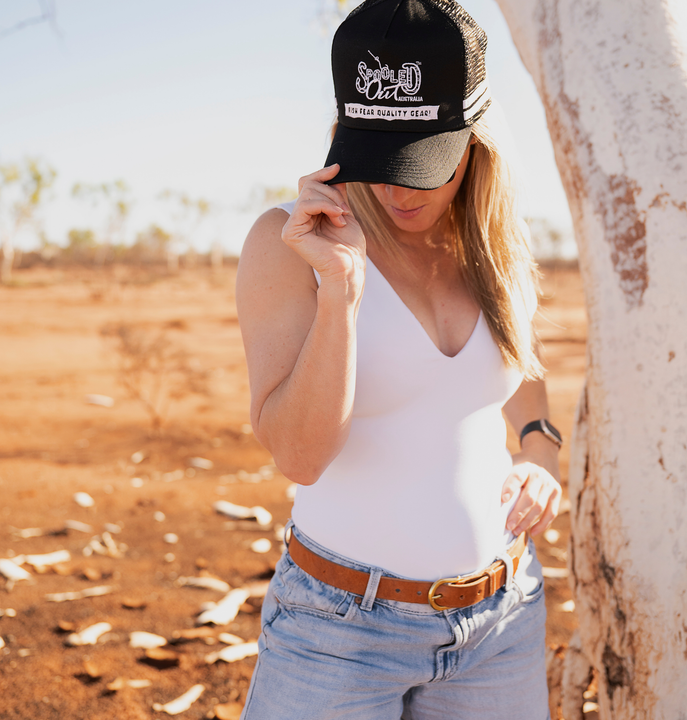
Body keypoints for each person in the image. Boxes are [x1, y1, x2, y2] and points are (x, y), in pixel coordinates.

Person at [236, 1, 562, 717]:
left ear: (474, 140)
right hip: (338, 635)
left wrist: (541, 453)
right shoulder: (288, 245)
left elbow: (520, 370)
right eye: (380, 157)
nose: (394, 189)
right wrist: (341, 289)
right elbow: (300, 456)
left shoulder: (492, 243)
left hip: (501, 622)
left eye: (423, 163)